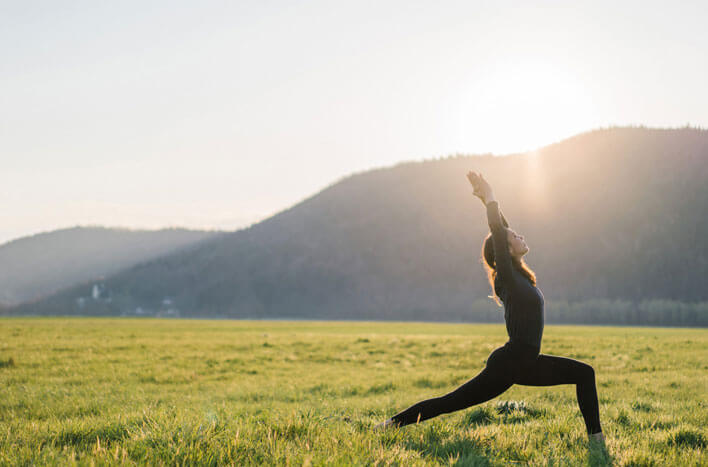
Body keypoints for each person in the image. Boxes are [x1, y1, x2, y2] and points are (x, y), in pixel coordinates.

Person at [374, 171, 606, 446]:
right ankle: (387, 426)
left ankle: (596, 441)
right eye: (515, 237)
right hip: (509, 363)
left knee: (584, 373)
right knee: (451, 402)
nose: (520, 235)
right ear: (506, 251)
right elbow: (499, 232)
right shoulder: (506, 278)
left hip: (528, 363)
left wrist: (488, 201)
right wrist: (491, 198)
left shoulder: (518, 276)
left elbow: (502, 230)